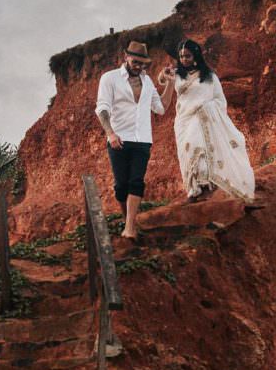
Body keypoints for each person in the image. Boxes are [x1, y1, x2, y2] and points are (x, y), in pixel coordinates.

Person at [157, 39, 254, 202]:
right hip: (183, 120)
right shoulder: (177, 73)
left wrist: (208, 108)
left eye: (187, 56)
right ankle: (194, 188)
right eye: (181, 56)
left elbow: (219, 99)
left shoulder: (209, 76)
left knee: (198, 146)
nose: (184, 59)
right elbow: (161, 79)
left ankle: (205, 186)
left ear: (195, 55)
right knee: (187, 152)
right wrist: (163, 74)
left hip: (203, 117)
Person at [95, 40, 166, 239]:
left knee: (137, 181)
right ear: (125, 57)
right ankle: (128, 220)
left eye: (143, 64)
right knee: (120, 186)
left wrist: (169, 84)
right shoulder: (110, 78)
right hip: (119, 138)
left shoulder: (148, 81)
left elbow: (160, 108)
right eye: (136, 63)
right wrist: (110, 133)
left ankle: (129, 227)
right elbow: (102, 108)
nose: (140, 67)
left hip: (142, 139)